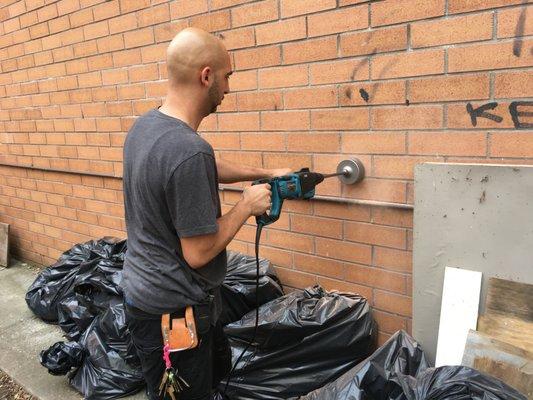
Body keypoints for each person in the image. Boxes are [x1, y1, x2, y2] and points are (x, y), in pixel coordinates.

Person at [122, 27, 291, 400]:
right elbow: (197, 254)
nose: (229, 88)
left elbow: (201, 166)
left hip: (144, 299)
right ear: (206, 76)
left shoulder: (148, 127)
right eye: (228, 76)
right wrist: (245, 206)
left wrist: (262, 172)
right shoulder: (187, 150)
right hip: (175, 316)